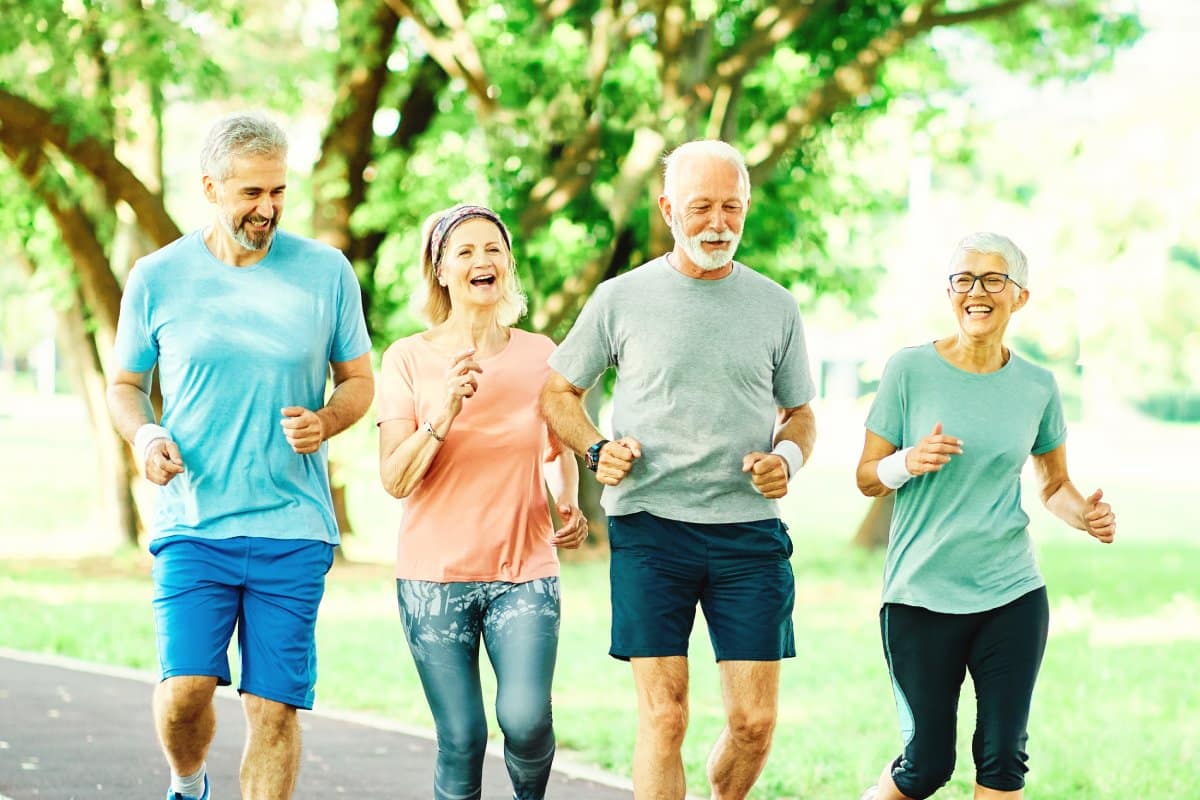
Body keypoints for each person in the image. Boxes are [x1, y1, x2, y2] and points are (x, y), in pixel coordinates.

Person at [106, 112, 374, 800]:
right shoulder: (157, 275)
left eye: (278, 191)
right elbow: (126, 386)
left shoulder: (325, 272)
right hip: (194, 522)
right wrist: (147, 436)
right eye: (251, 194)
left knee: (274, 708)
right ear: (210, 188)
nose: (268, 209)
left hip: (293, 524)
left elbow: (358, 382)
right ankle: (188, 781)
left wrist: (325, 420)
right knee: (185, 692)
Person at [540, 140, 817, 800]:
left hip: (748, 533)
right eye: (701, 208)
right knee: (665, 717)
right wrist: (597, 449)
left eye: (732, 207)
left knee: (754, 723)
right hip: (649, 530)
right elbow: (557, 394)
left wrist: (787, 459)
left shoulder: (775, 306)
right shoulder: (621, 298)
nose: (718, 223)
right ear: (668, 209)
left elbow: (801, 415)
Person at [854, 232, 1117, 800]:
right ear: (950, 293)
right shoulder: (909, 370)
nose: (978, 292)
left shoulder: (1038, 386)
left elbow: (1054, 484)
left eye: (993, 279)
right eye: (964, 280)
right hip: (921, 594)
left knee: (1002, 760)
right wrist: (906, 461)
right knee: (925, 766)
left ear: (1019, 296)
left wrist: (1084, 516)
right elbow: (867, 475)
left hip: (1011, 593)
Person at [376, 204, 588, 800]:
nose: (481, 260)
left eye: (492, 248)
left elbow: (556, 446)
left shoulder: (539, 353)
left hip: (524, 571)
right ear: (441, 272)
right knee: (463, 736)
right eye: (464, 251)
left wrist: (567, 503)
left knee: (524, 722)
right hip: (432, 578)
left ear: (509, 264)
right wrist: (442, 412)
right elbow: (395, 479)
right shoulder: (408, 359)